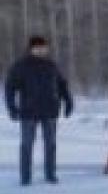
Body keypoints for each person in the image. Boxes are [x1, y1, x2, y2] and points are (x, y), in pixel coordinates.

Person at [5, 35, 73, 185]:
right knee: (27, 145)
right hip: (28, 112)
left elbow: (62, 85)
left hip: (50, 111)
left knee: (50, 144)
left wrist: (68, 102)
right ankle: (25, 176)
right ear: (31, 49)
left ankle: (50, 174)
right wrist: (12, 107)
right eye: (38, 48)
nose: (42, 50)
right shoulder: (21, 66)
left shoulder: (51, 65)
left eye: (44, 48)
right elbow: (10, 88)